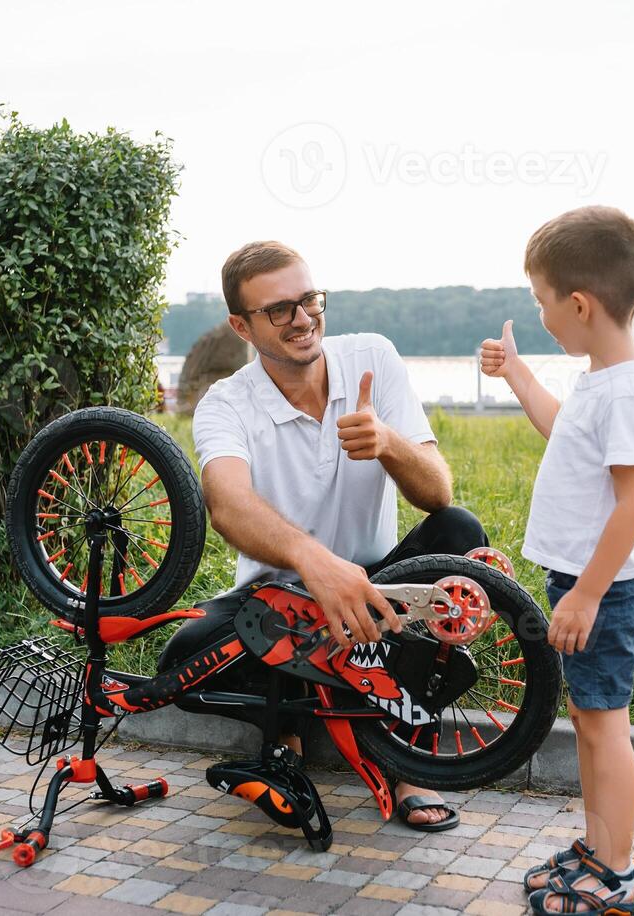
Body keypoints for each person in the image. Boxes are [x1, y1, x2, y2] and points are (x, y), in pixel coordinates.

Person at [164, 239, 488, 831]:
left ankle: (407, 751)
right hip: (280, 606)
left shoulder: (373, 356)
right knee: (181, 660)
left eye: (309, 299)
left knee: (459, 530)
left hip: (381, 595)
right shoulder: (225, 403)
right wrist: (312, 560)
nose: (303, 318)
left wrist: (388, 442)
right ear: (242, 325)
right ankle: (287, 730)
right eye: (279, 310)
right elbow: (228, 504)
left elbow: (437, 492)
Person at [479, 206, 634, 914]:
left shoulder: (623, 392)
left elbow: (632, 505)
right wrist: (520, 374)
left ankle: (617, 874)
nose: (543, 314)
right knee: (589, 718)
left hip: (606, 590)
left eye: (542, 301)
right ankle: (598, 848)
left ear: (580, 303)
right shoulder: (599, 380)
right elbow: (564, 435)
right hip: (586, 584)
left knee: (604, 723)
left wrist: (584, 595)